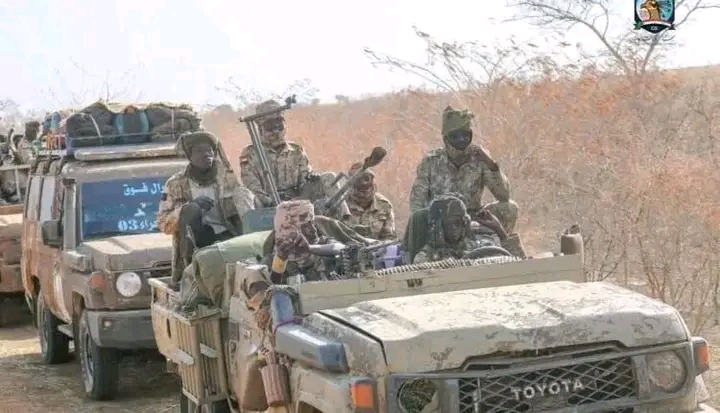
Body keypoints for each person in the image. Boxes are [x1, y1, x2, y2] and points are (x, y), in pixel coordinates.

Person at [158, 131, 256, 283]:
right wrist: (189, 207)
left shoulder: (228, 178)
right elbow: (164, 224)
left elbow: (248, 209)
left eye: (209, 150)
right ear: (190, 156)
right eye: (199, 151)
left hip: (228, 237)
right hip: (197, 243)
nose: (206, 155)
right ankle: (191, 270)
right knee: (191, 210)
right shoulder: (175, 184)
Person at [409, 106, 519, 234]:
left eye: (466, 134)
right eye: (455, 136)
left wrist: (492, 165)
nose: (461, 139)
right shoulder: (431, 162)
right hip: (441, 220)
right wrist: (426, 226)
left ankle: (500, 244)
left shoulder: (480, 157)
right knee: (418, 219)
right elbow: (417, 203)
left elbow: (504, 196)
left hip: (473, 217)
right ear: (446, 139)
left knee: (509, 208)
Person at [265, 199, 375, 283]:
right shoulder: (271, 261)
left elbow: (340, 248)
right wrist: (280, 260)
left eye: (313, 223)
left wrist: (309, 249)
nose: (313, 230)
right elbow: (270, 292)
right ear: (292, 231)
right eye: (306, 226)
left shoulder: (322, 244)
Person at [409, 195, 524, 264]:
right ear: (438, 228)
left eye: (458, 223)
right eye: (448, 225)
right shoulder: (426, 258)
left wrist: (499, 231)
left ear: (465, 224)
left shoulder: (482, 246)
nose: (454, 228)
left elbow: (521, 266)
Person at [239, 99, 312, 207]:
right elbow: (252, 185)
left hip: (295, 201)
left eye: (279, 125)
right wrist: (270, 202)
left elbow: (304, 181)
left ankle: (339, 216)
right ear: (260, 129)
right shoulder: (250, 153)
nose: (276, 131)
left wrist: (311, 181)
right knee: (241, 193)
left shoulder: (296, 150)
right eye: (270, 127)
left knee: (328, 178)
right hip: (266, 204)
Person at [341, 162, 396, 241]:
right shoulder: (341, 204)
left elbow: (389, 238)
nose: (363, 183)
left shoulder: (384, 205)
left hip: (375, 247)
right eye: (358, 179)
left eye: (366, 178)